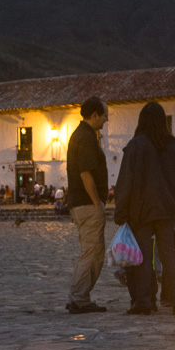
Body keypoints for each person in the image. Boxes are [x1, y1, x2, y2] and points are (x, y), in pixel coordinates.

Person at [114, 102, 175, 315]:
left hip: (142, 210)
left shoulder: (137, 145)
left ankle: (145, 300)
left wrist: (121, 209)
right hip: (167, 209)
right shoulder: (172, 144)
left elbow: (126, 179)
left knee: (143, 255)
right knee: (169, 255)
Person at [65, 97, 110, 314]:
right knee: (92, 252)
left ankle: (78, 295)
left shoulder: (81, 135)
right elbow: (85, 172)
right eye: (104, 115)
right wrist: (97, 202)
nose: (106, 119)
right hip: (87, 204)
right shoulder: (85, 138)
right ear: (94, 115)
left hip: (82, 203)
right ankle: (79, 298)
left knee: (91, 252)